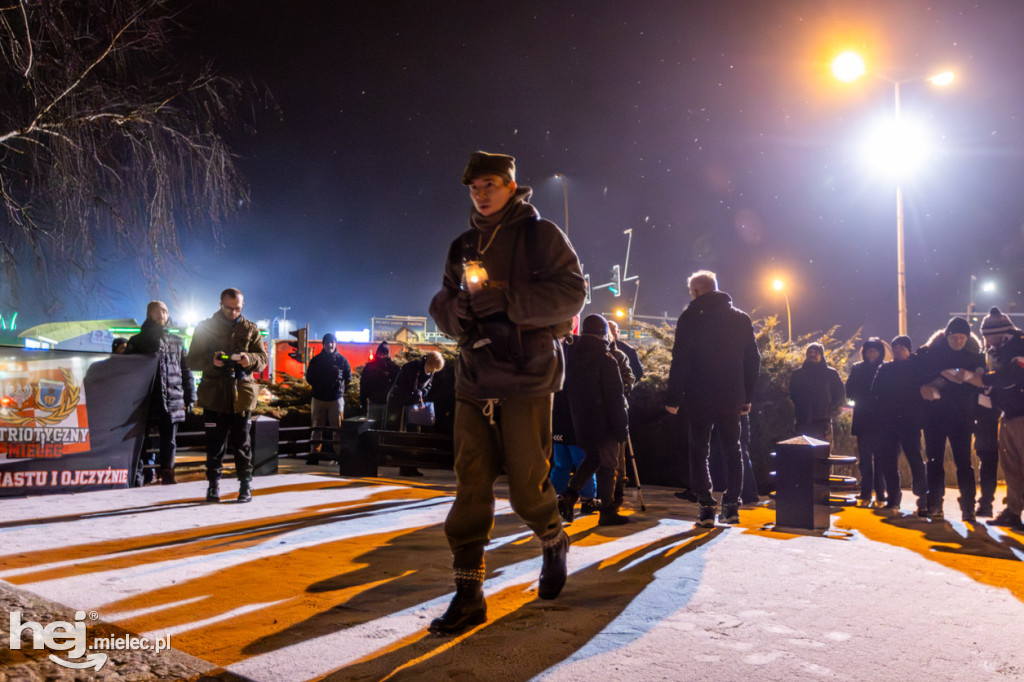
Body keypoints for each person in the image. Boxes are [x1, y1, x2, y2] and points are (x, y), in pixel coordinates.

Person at [428, 150, 586, 635]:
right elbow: (441, 301)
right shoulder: (462, 244)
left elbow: (574, 292)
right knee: (470, 484)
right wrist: (460, 312)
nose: (482, 194)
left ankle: (553, 538)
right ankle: (469, 594)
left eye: (491, 184)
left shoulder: (541, 236)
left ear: (512, 186)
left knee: (526, 485)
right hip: (475, 376)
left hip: (527, 377)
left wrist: (508, 301)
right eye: (475, 187)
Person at [665, 270, 760, 528]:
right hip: (731, 395)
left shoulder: (690, 318)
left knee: (699, 449)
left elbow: (680, 360)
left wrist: (673, 397)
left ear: (696, 291)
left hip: (699, 395)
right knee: (733, 448)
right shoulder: (740, 318)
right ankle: (731, 506)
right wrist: (747, 395)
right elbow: (753, 360)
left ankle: (706, 506)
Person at [187, 288, 268, 504]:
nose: (233, 312)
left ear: (243, 306)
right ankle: (213, 486)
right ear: (220, 305)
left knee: (243, 444)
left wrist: (248, 359)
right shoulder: (205, 328)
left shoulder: (251, 329)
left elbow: (263, 359)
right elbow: (191, 360)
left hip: (241, 396)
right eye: (229, 308)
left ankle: (245, 486)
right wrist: (211, 362)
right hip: (215, 394)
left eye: (238, 308)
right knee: (215, 444)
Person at [558, 314, 630, 526]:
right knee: (609, 464)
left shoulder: (571, 355)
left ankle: (569, 495)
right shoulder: (606, 358)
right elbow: (615, 397)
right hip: (605, 421)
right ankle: (607, 511)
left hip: (581, 420)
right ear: (603, 332)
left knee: (593, 459)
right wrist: (621, 426)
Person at [915, 316, 984, 521]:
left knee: (963, 462)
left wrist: (969, 376)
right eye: (955, 337)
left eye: (963, 337)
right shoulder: (930, 355)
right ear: (947, 336)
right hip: (934, 416)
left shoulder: (973, 357)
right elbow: (918, 377)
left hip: (962, 417)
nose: (959, 341)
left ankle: (968, 507)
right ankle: (935, 503)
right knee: (934, 461)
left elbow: (984, 380)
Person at [126, 301, 195, 486]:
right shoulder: (137, 341)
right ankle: (138, 476)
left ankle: (167, 474)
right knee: (140, 440)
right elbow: (126, 370)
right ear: (149, 314)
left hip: (172, 398)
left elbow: (186, 371)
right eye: (159, 311)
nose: (163, 314)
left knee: (169, 441)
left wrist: (190, 398)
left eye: (165, 311)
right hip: (144, 399)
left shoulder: (177, 342)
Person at [968, 308, 1024, 530]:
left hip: (1021, 413)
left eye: (988, 335)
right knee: (1011, 466)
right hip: (1009, 413)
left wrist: (983, 379)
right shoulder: (1000, 348)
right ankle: (1013, 510)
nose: (985, 340)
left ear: (1000, 332)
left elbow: (1014, 376)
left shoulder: (1018, 345)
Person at [871, 335, 928, 515]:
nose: (896, 351)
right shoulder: (885, 368)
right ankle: (893, 497)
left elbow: (920, 393)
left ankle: (922, 497)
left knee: (915, 458)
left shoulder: (916, 368)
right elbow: (875, 391)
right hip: (888, 421)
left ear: (908, 350)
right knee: (888, 460)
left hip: (910, 420)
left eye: (900, 348)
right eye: (894, 348)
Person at [549, 330, 599, 514]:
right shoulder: (581, 370)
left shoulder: (554, 367)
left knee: (561, 464)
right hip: (576, 425)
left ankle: (554, 498)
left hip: (558, 423)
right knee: (582, 462)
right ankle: (588, 500)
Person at [846, 337, 887, 507]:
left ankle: (880, 494)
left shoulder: (886, 369)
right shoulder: (857, 369)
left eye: (875, 351)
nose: (871, 354)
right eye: (869, 350)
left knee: (881, 459)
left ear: (880, 352)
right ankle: (865, 493)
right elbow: (849, 390)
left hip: (881, 421)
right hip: (864, 420)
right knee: (864, 459)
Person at [305, 333, 352, 465]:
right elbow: (309, 378)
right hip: (320, 398)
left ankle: (339, 455)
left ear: (335, 343)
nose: (330, 345)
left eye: (332, 342)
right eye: (328, 342)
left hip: (334, 398)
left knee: (337, 430)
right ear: (323, 344)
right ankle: (314, 454)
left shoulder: (342, 360)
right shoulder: (316, 360)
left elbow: (348, 378)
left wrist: (338, 388)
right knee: (316, 429)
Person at [974, 313, 1004, 518]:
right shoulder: (981, 357)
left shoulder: (1007, 354)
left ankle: (990, 502)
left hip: (1003, 413)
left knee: (996, 460)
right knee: (988, 458)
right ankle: (986, 502)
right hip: (986, 416)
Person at [788, 343, 845, 441]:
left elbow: (840, 395)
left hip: (823, 421)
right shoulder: (798, 374)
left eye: (816, 352)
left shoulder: (831, 374)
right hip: (802, 419)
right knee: (802, 451)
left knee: (823, 452)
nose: (812, 354)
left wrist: (830, 410)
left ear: (821, 355)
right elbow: (793, 393)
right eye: (810, 352)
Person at [359, 341, 400, 427]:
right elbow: (364, 385)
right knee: (374, 427)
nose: (381, 356)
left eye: (384, 354)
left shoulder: (393, 368)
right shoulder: (371, 367)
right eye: (380, 354)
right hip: (375, 403)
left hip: (386, 404)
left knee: (382, 428)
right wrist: (363, 402)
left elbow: (397, 386)